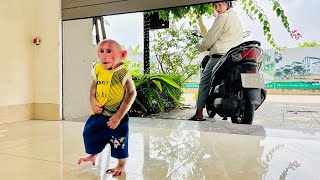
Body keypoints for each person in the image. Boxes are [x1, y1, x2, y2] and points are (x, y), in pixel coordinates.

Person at [78, 39, 137, 177]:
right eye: (101, 51)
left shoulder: (122, 73)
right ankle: (93, 154)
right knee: (91, 132)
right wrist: (92, 100)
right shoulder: (98, 69)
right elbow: (93, 87)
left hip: (117, 115)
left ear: (122, 55)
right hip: (100, 112)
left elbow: (131, 93)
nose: (104, 56)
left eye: (109, 51)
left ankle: (121, 164)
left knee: (119, 140)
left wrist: (118, 116)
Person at [189, 0, 243, 121]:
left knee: (204, 81)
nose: (217, 8)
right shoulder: (236, 18)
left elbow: (210, 38)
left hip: (220, 56)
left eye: (220, 4)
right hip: (235, 56)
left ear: (227, 4)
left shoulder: (222, 17)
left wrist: (200, 46)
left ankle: (198, 113)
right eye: (215, 5)